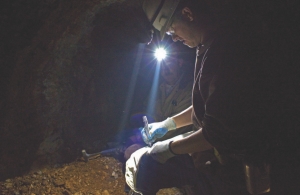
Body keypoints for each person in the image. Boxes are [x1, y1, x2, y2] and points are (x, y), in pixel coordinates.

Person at [125, 0, 300, 194]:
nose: (173, 38)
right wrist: (169, 123)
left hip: (243, 168)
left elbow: (219, 131)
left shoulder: (230, 50)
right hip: (223, 162)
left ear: (188, 13)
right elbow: (213, 104)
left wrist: (169, 148)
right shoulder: (209, 45)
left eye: (171, 29)